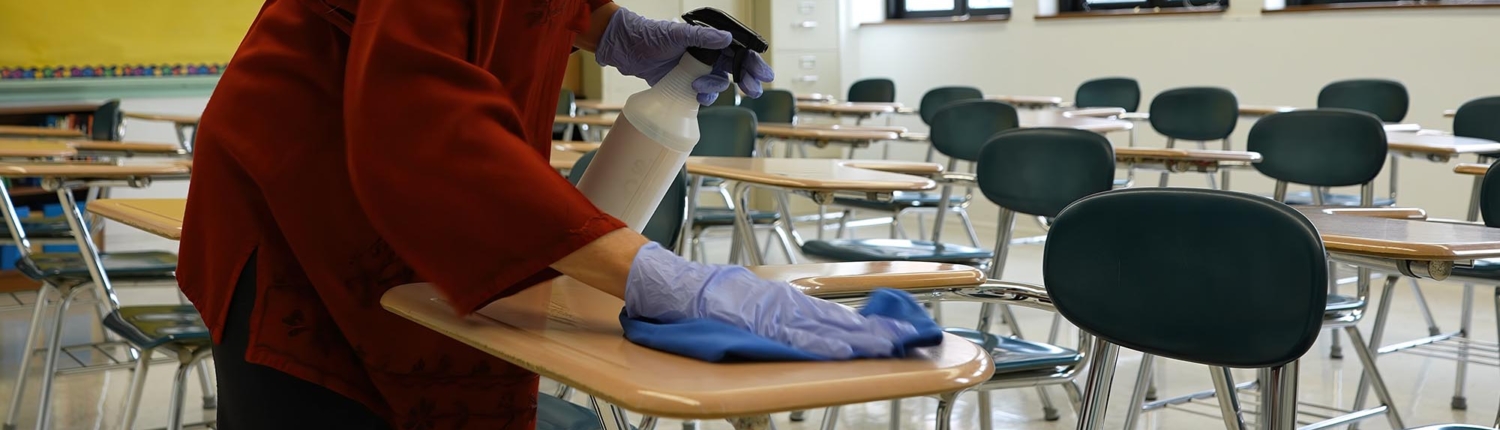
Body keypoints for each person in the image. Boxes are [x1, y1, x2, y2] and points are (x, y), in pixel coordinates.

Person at [178, 1, 918, 429]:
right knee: (325, 396)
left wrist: (598, 24)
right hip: (306, 174)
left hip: (387, 156)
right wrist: (660, 276)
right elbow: (423, 115)